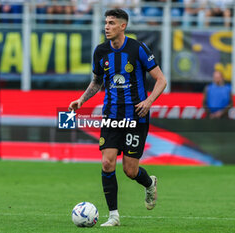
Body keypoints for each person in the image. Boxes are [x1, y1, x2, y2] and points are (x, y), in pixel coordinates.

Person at [68, 9, 167, 227]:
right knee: (106, 163)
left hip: (136, 117)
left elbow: (161, 79)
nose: (107, 27)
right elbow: (96, 82)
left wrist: (149, 102)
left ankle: (149, 183)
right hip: (111, 115)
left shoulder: (138, 49)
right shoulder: (100, 51)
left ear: (123, 26)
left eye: (112, 23)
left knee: (130, 170)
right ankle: (113, 216)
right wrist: (81, 100)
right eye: (106, 22)